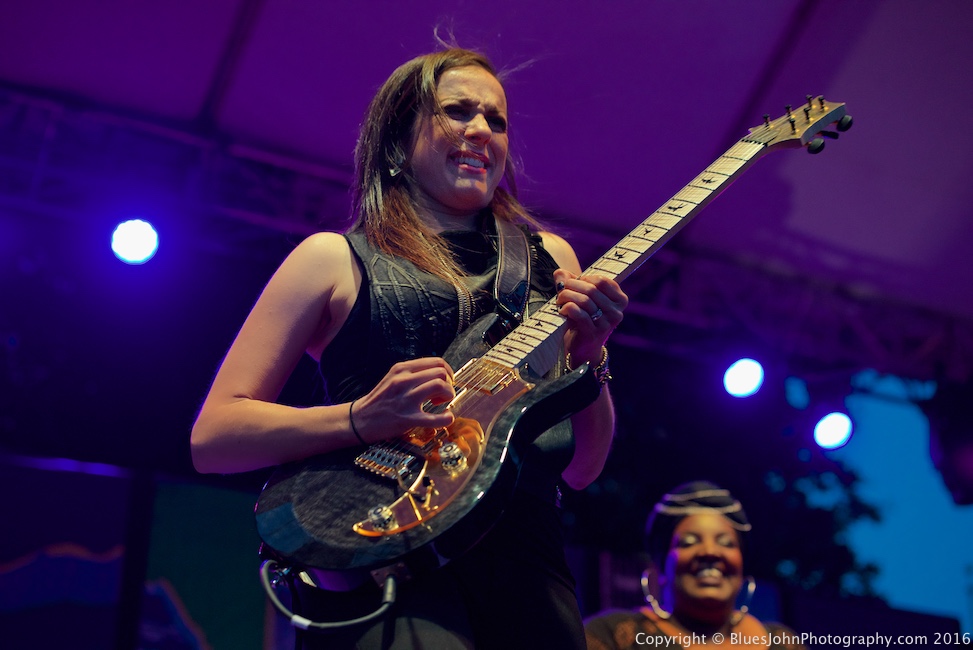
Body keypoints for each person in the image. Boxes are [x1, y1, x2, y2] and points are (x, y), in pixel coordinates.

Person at [190, 46, 628, 649]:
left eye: (495, 120)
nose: (481, 130)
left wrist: (591, 355)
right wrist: (359, 418)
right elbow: (214, 439)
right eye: (458, 111)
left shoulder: (550, 259)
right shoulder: (330, 260)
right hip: (377, 546)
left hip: (528, 563)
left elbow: (582, 468)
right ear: (397, 142)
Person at [584, 481, 805, 649]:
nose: (710, 552)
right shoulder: (612, 636)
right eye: (689, 542)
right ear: (661, 566)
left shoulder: (781, 643)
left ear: (741, 566)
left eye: (726, 543)